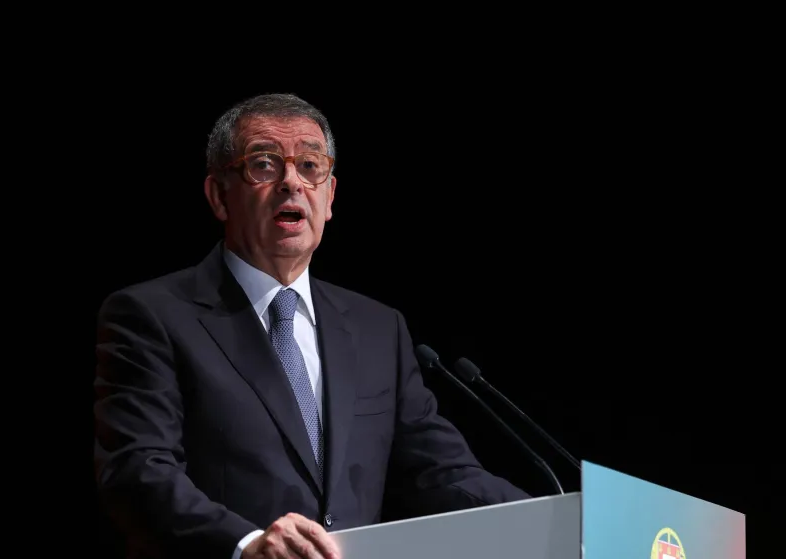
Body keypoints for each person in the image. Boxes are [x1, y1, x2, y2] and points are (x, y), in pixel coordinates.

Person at [93, 93, 530, 559]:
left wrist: (566, 519)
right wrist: (247, 544)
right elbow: (138, 469)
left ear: (330, 196)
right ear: (220, 196)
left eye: (309, 165)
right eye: (263, 164)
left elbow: (444, 474)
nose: (291, 183)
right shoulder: (151, 315)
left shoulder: (378, 329)